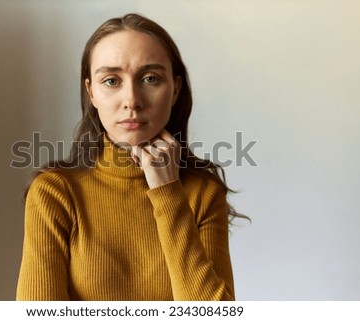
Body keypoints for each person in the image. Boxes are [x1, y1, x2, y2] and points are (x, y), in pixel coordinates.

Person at [16, 13, 245, 301]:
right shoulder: (55, 192)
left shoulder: (204, 194)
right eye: (111, 81)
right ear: (91, 93)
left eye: (150, 78)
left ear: (175, 90)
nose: (132, 100)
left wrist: (167, 194)